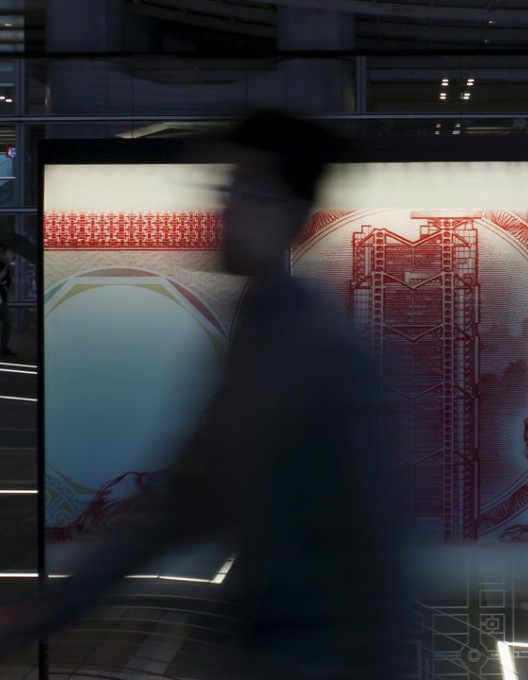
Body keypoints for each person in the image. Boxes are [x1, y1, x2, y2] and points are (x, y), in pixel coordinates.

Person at [0, 111, 407, 679]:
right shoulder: (263, 330)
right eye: (225, 190)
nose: (225, 211)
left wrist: (49, 610)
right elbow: (188, 499)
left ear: (292, 215)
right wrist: (47, 610)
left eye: (246, 193)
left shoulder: (319, 352)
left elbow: (373, 555)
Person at [0, 245, 13, 356]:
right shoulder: (4, 268)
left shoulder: (4, 266)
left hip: (2, 300)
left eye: (2, 252)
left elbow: (7, 283)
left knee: (6, 325)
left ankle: (4, 348)